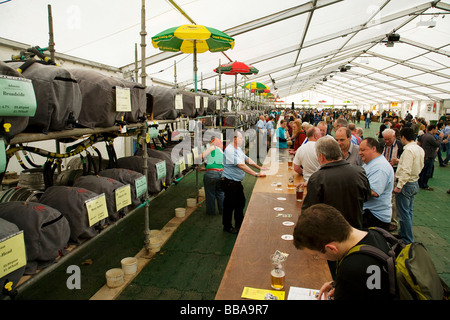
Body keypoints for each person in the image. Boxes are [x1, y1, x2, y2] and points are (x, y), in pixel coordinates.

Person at [293, 204, 394, 300]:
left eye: (316, 255)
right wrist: (337, 285)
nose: (318, 258)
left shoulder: (350, 269)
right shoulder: (377, 233)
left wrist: (344, 286)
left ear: (331, 248)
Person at [302, 136, 370, 229]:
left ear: (321, 156)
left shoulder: (317, 178)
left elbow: (309, 211)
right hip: (355, 230)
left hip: (330, 233)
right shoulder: (359, 171)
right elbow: (366, 197)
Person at [222, 131, 266, 234]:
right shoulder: (229, 150)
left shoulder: (237, 149)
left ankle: (239, 224)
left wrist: (259, 167)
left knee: (241, 202)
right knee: (229, 205)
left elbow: (246, 159)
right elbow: (241, 165)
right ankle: (227, 226)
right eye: (241, 138)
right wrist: (255, 174)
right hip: (230, 182)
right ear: (235, 139)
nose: (243, 140)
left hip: (236, 182)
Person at [393, 127, 424, 244]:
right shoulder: (419, 149)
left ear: (403, 137)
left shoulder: (408, 151)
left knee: (403, 214)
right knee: (409, 212)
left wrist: (399, 186)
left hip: (406, 184)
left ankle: (407, 239)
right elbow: (419, 165)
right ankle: (404, 233)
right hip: (414, 182)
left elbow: (406, 170)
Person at [359, 138, 395, 230]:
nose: (360, 153)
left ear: (374, 149)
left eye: (363, 150)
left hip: (375, 217)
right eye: (359, 150)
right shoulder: (371, 163)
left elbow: (374, 192)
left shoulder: (380, 167)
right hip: (370, 214)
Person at [201, 137, 225, 216]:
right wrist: (205, 169)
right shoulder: (221, 152)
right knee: (220, 192)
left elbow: (202, 155)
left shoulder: (213, 147)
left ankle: (211, 212)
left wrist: (193, 157)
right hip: (221, 174)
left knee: (210, 193)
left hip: (211, 175)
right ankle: (222, 210)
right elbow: (218, 166)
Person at [418, 124, 446, 191]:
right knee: (427, 171)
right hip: (429, 156)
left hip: (425, 155)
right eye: (436, 129)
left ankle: (420, 184)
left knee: (423, 171)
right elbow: (437, 144)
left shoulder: (424, 135)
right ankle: (424, 185)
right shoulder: (430, 137)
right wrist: (440, 137)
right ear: (432, 129)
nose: (436, 131)